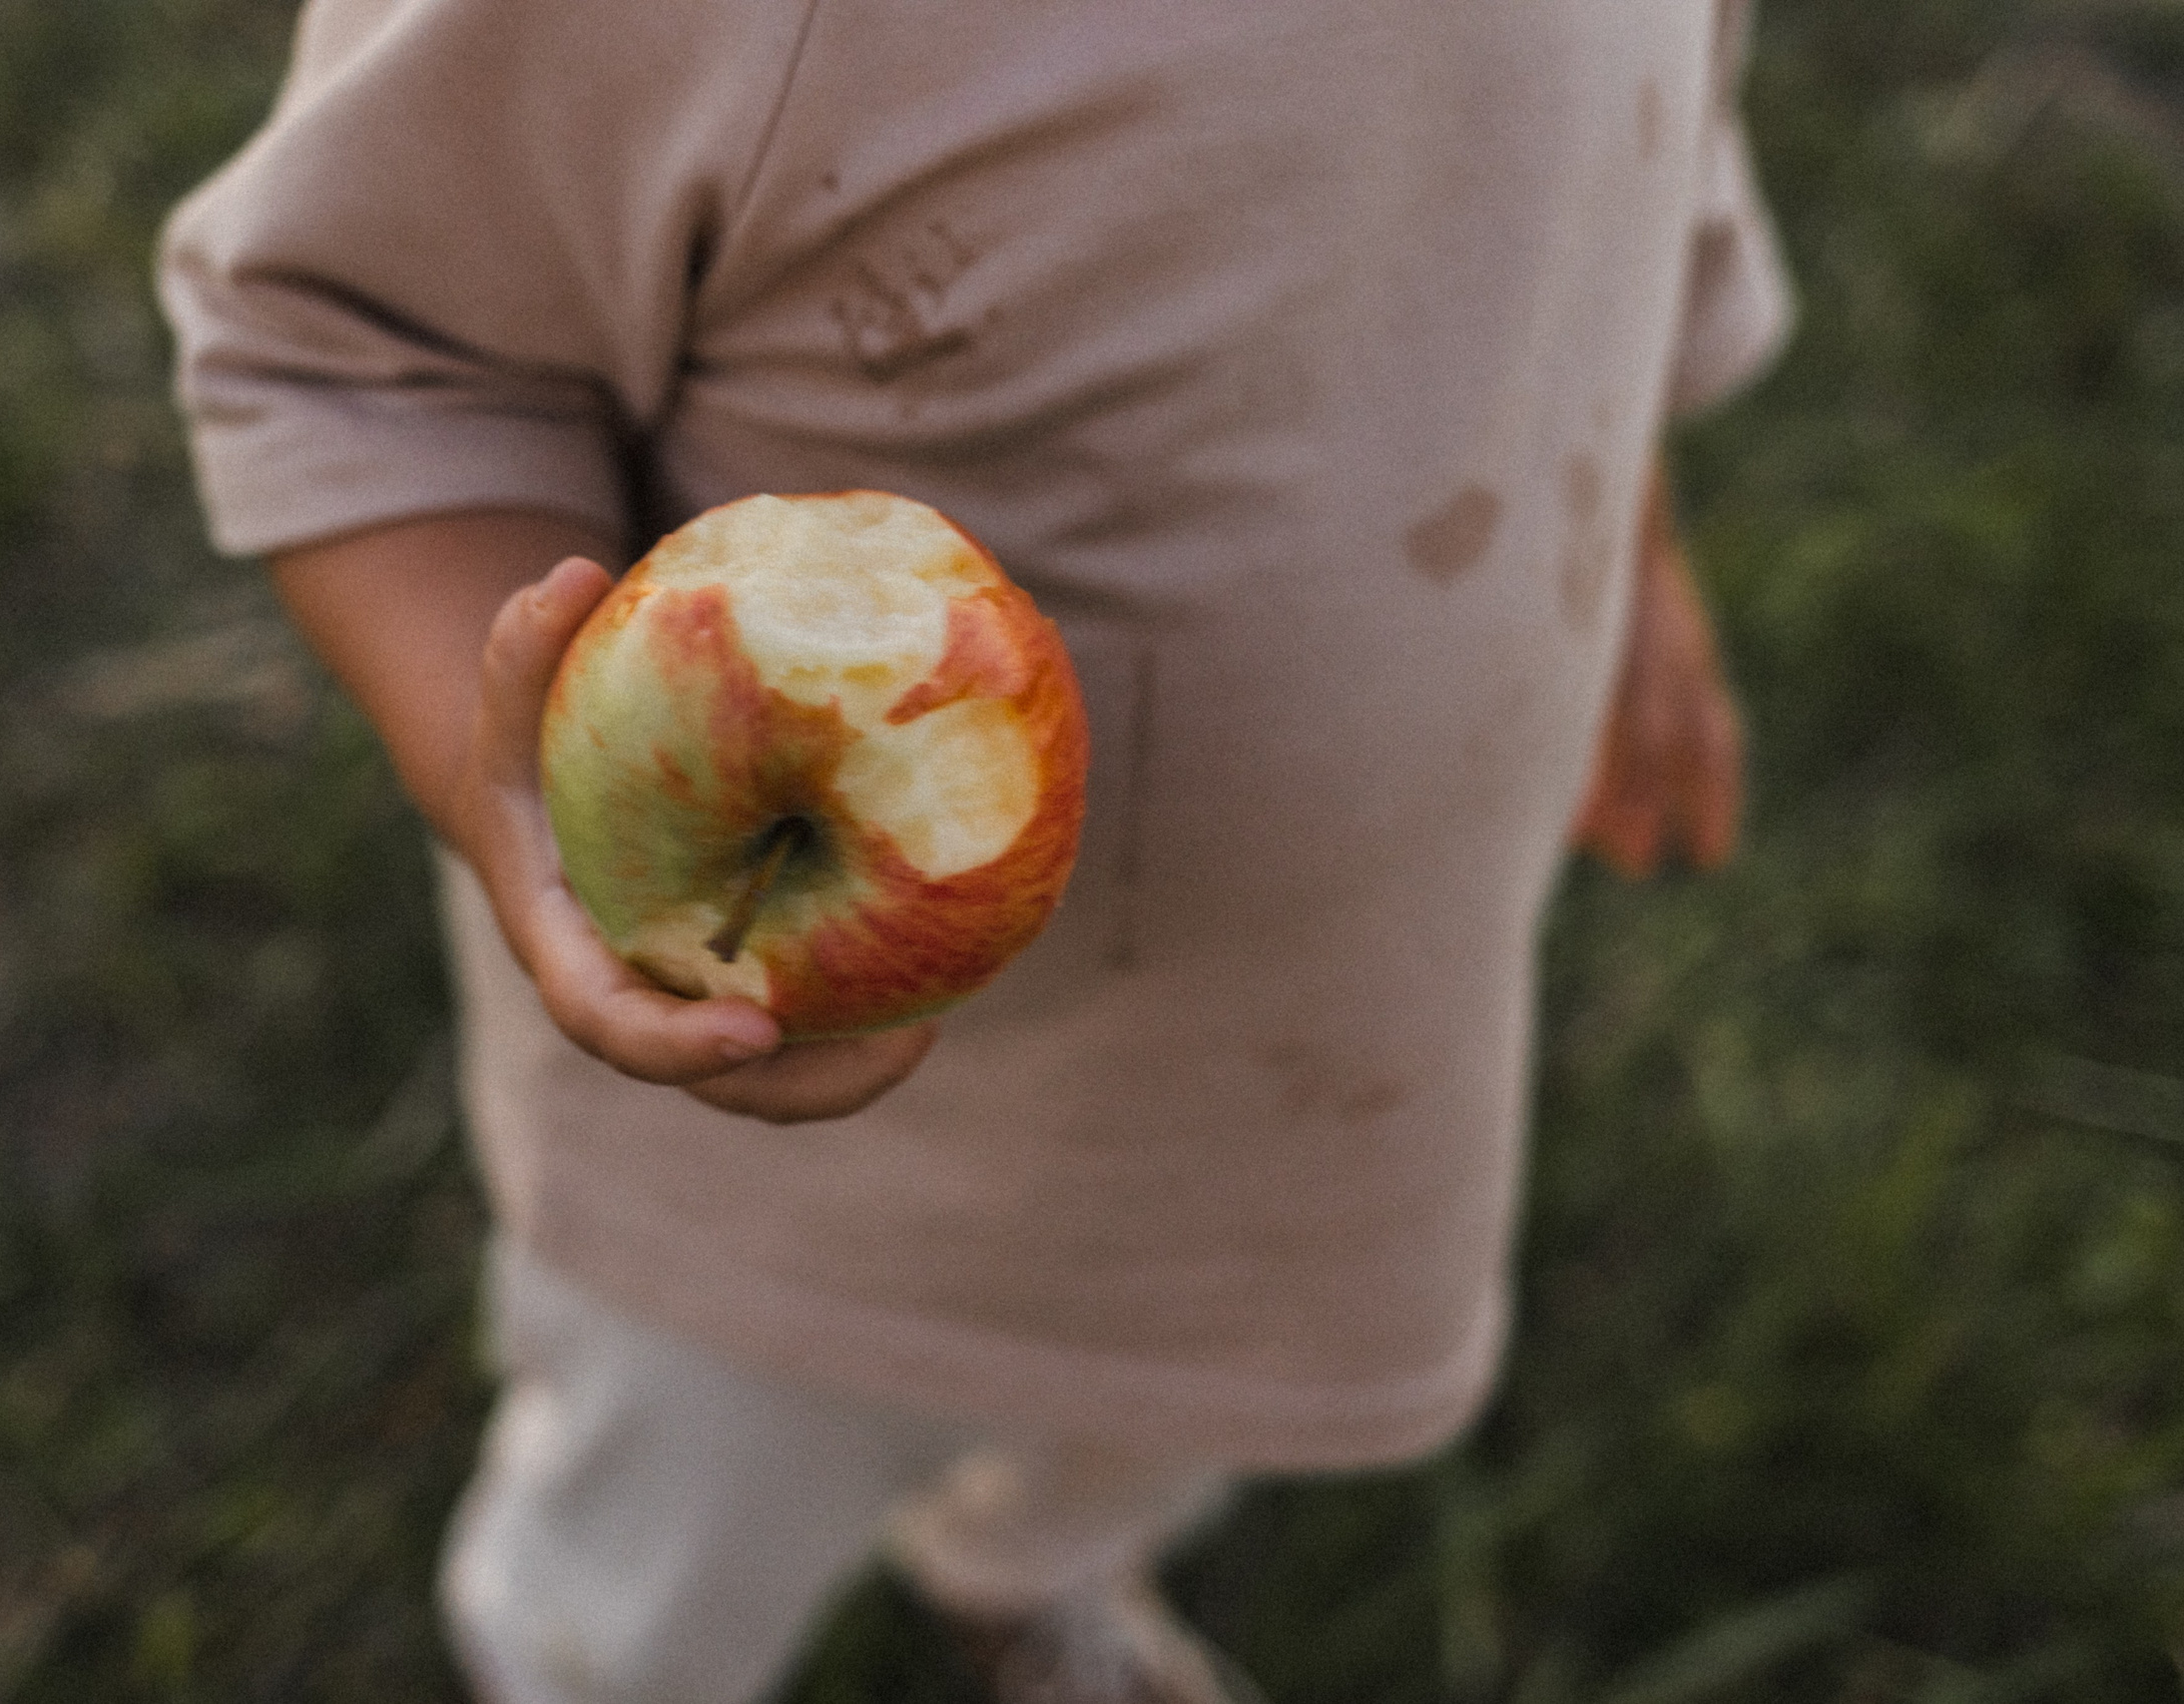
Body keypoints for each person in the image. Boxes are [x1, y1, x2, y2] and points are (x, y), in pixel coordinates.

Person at [158, 0, 1789, 1698]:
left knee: (1151, 1410)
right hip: (795, 1182)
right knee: (673, 1545)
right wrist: (528, 815)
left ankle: (1037, 1579)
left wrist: (1627, 523)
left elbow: (1621, 146)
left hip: (1299, 1080)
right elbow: (366, 356)